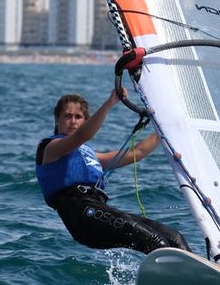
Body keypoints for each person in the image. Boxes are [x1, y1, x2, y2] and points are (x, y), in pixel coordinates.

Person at [36, 89, 190, 254]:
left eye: (78, 117)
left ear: (85, 120)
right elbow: (81, 136)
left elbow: (136, 153)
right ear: (57, 120)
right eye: (67, 116)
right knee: (156, 242)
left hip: (97, 211)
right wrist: (110, 103)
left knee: (174, 238)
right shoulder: (50, 148)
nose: (73, 121)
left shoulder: (90, 156)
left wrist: (166, 126)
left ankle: (202, 274)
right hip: (81, 215)